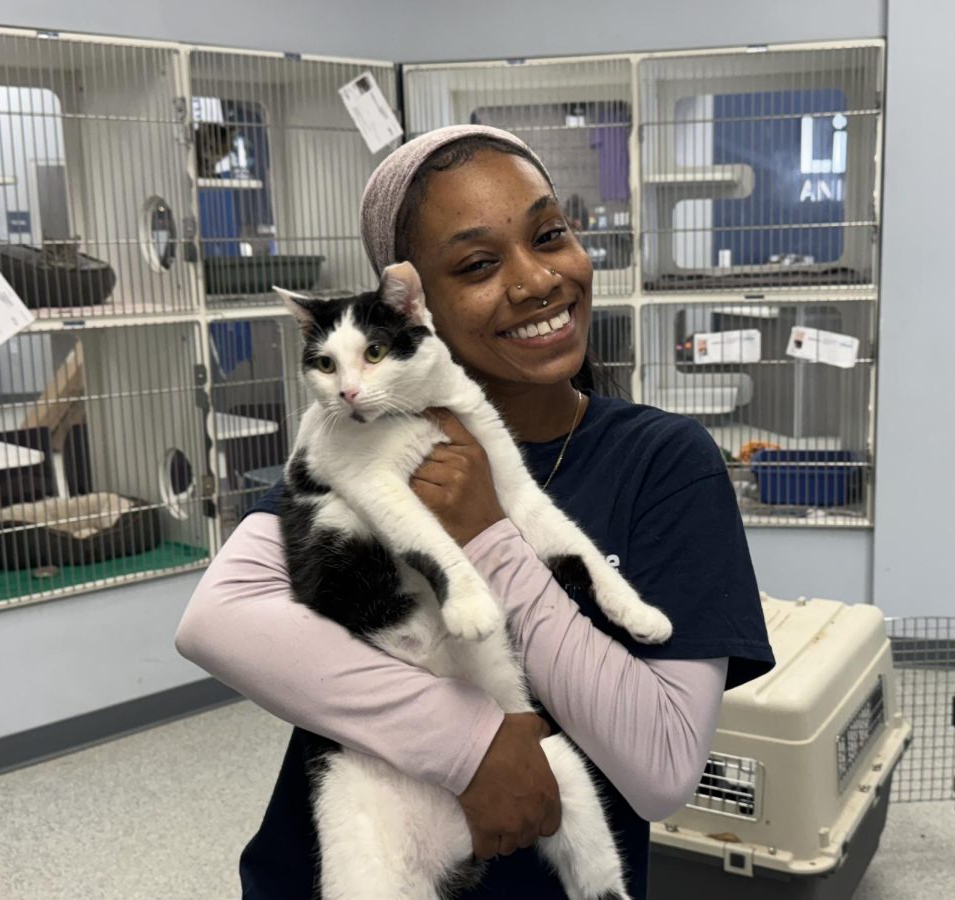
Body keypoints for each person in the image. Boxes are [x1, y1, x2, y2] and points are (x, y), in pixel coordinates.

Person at [176, 124, 774, 899]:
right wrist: (477, 745)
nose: (535, 282)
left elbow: (662, 767)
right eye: (480, 264)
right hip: (347, 860)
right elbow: (216, 620)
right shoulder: (355, 433)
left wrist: (487, 531)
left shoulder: (661, 462)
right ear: (413, 304)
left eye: (549, 234)